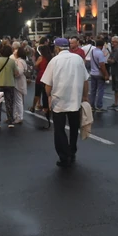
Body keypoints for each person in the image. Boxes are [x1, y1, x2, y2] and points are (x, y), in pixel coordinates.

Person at [41, 38, 89, 167]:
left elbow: (47, 84)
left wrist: (49, 97)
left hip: (59, 101)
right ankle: (72, 151)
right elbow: (85, 80)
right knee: (74, 128)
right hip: (75, 100)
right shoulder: (78, 59)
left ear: (57, 48)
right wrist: (85, 96)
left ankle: (64, 155)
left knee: (59, 130)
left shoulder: (54, 61)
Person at [0, 44, 17, 128]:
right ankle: (10, 121)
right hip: (10, 83)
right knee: (9, 103)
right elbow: (16, 73)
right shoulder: (12, 61)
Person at [88, 38, 109, 111]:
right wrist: (106, 74)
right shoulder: (100, 53)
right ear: (102, 46)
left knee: (93, 90)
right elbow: (102, 65)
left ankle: (92, 105)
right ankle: (99, 106)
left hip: (93, 73)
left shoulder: (92, 51)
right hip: (99, 74)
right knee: (100, 90)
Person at [33, 45, 52, 117]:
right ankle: (46, 108)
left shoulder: (41, 58)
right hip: (49, 76)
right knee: (46, 93)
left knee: (37, 92)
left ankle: (34, 106)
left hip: (41, 76)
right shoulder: (51, 58)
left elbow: (36, 65)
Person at [11, 44, 28, 125]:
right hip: (19, 81)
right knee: (17, 99)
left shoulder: (19, 61)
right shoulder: (21, 60)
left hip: (18, 82)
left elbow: (19, 72)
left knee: (18, 100)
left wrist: (13, 73)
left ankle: (19, 117)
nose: (14, 52)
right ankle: (16, 115)